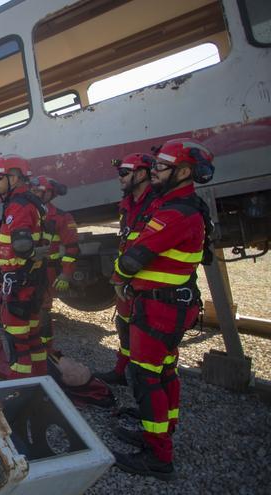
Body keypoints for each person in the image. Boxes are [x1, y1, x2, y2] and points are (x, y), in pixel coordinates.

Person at [110, 138, 214, 480]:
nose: (154, 171)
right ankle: (159, 434)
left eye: (161, 167)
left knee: (145, 376)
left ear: (184, 172)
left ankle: (158, 456)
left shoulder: (175, 212)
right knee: (165, 372)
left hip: (158, 309)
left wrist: (118, 278)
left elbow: (135, 256)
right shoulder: (183, 205)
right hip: (168, 306)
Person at [95, 153, 158, 386]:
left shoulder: (156, 204)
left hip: (146, 284)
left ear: (141, 174)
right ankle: (122, 372)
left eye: (124, 173)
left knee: (147, 341)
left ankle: (146, 391)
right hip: (127, 282)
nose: (120, 178)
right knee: (124, 327)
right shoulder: (129, 204)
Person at [0, 155, 47, 377]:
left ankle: (19, 386)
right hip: (30, 279)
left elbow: (21, 244)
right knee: (32, 335)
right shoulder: (28, 201)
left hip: (19, 280)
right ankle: (42, 378)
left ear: (14, 177)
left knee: (16, 339)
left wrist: (28, 253)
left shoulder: (18, 205)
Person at [29, 175, 79, 351]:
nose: (34, 194)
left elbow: (72, 248)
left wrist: (66, 273)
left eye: (38, 191)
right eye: (32, 191)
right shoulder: (24, 213)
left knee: (42, 310)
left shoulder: (62, 217)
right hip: (24, 269)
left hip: (46, 270)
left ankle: (46, 349)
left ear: (50, 194)